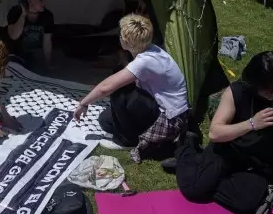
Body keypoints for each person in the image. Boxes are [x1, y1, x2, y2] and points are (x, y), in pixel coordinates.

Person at [175, 51, 273, 210]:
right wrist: (252, 123)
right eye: (268, 89)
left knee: (249, 203)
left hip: (260, 160)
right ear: (256, 82)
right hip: (229, 150)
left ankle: (207, 175)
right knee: (194, 189)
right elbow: (214, 133)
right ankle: (186, 150)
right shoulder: (237, 91)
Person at [74, 14, 188, 163]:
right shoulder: (152, 50)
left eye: (121, 35)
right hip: (162, 107)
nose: (119, 37)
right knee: (105, 120)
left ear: (127, 42)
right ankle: (134, 131)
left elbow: (106, 87)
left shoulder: (144, 62)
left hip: (170, 118)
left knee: (119, 92)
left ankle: (126, 141)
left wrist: (84, 103)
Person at [6, 0, 54, 70]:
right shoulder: (16, 11)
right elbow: (13, 36)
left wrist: (48, 64)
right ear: (29, 0)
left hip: (32, 53)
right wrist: (23, 15)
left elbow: (47, 42)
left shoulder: (47, 16)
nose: (44, 3)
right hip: (14, 53)